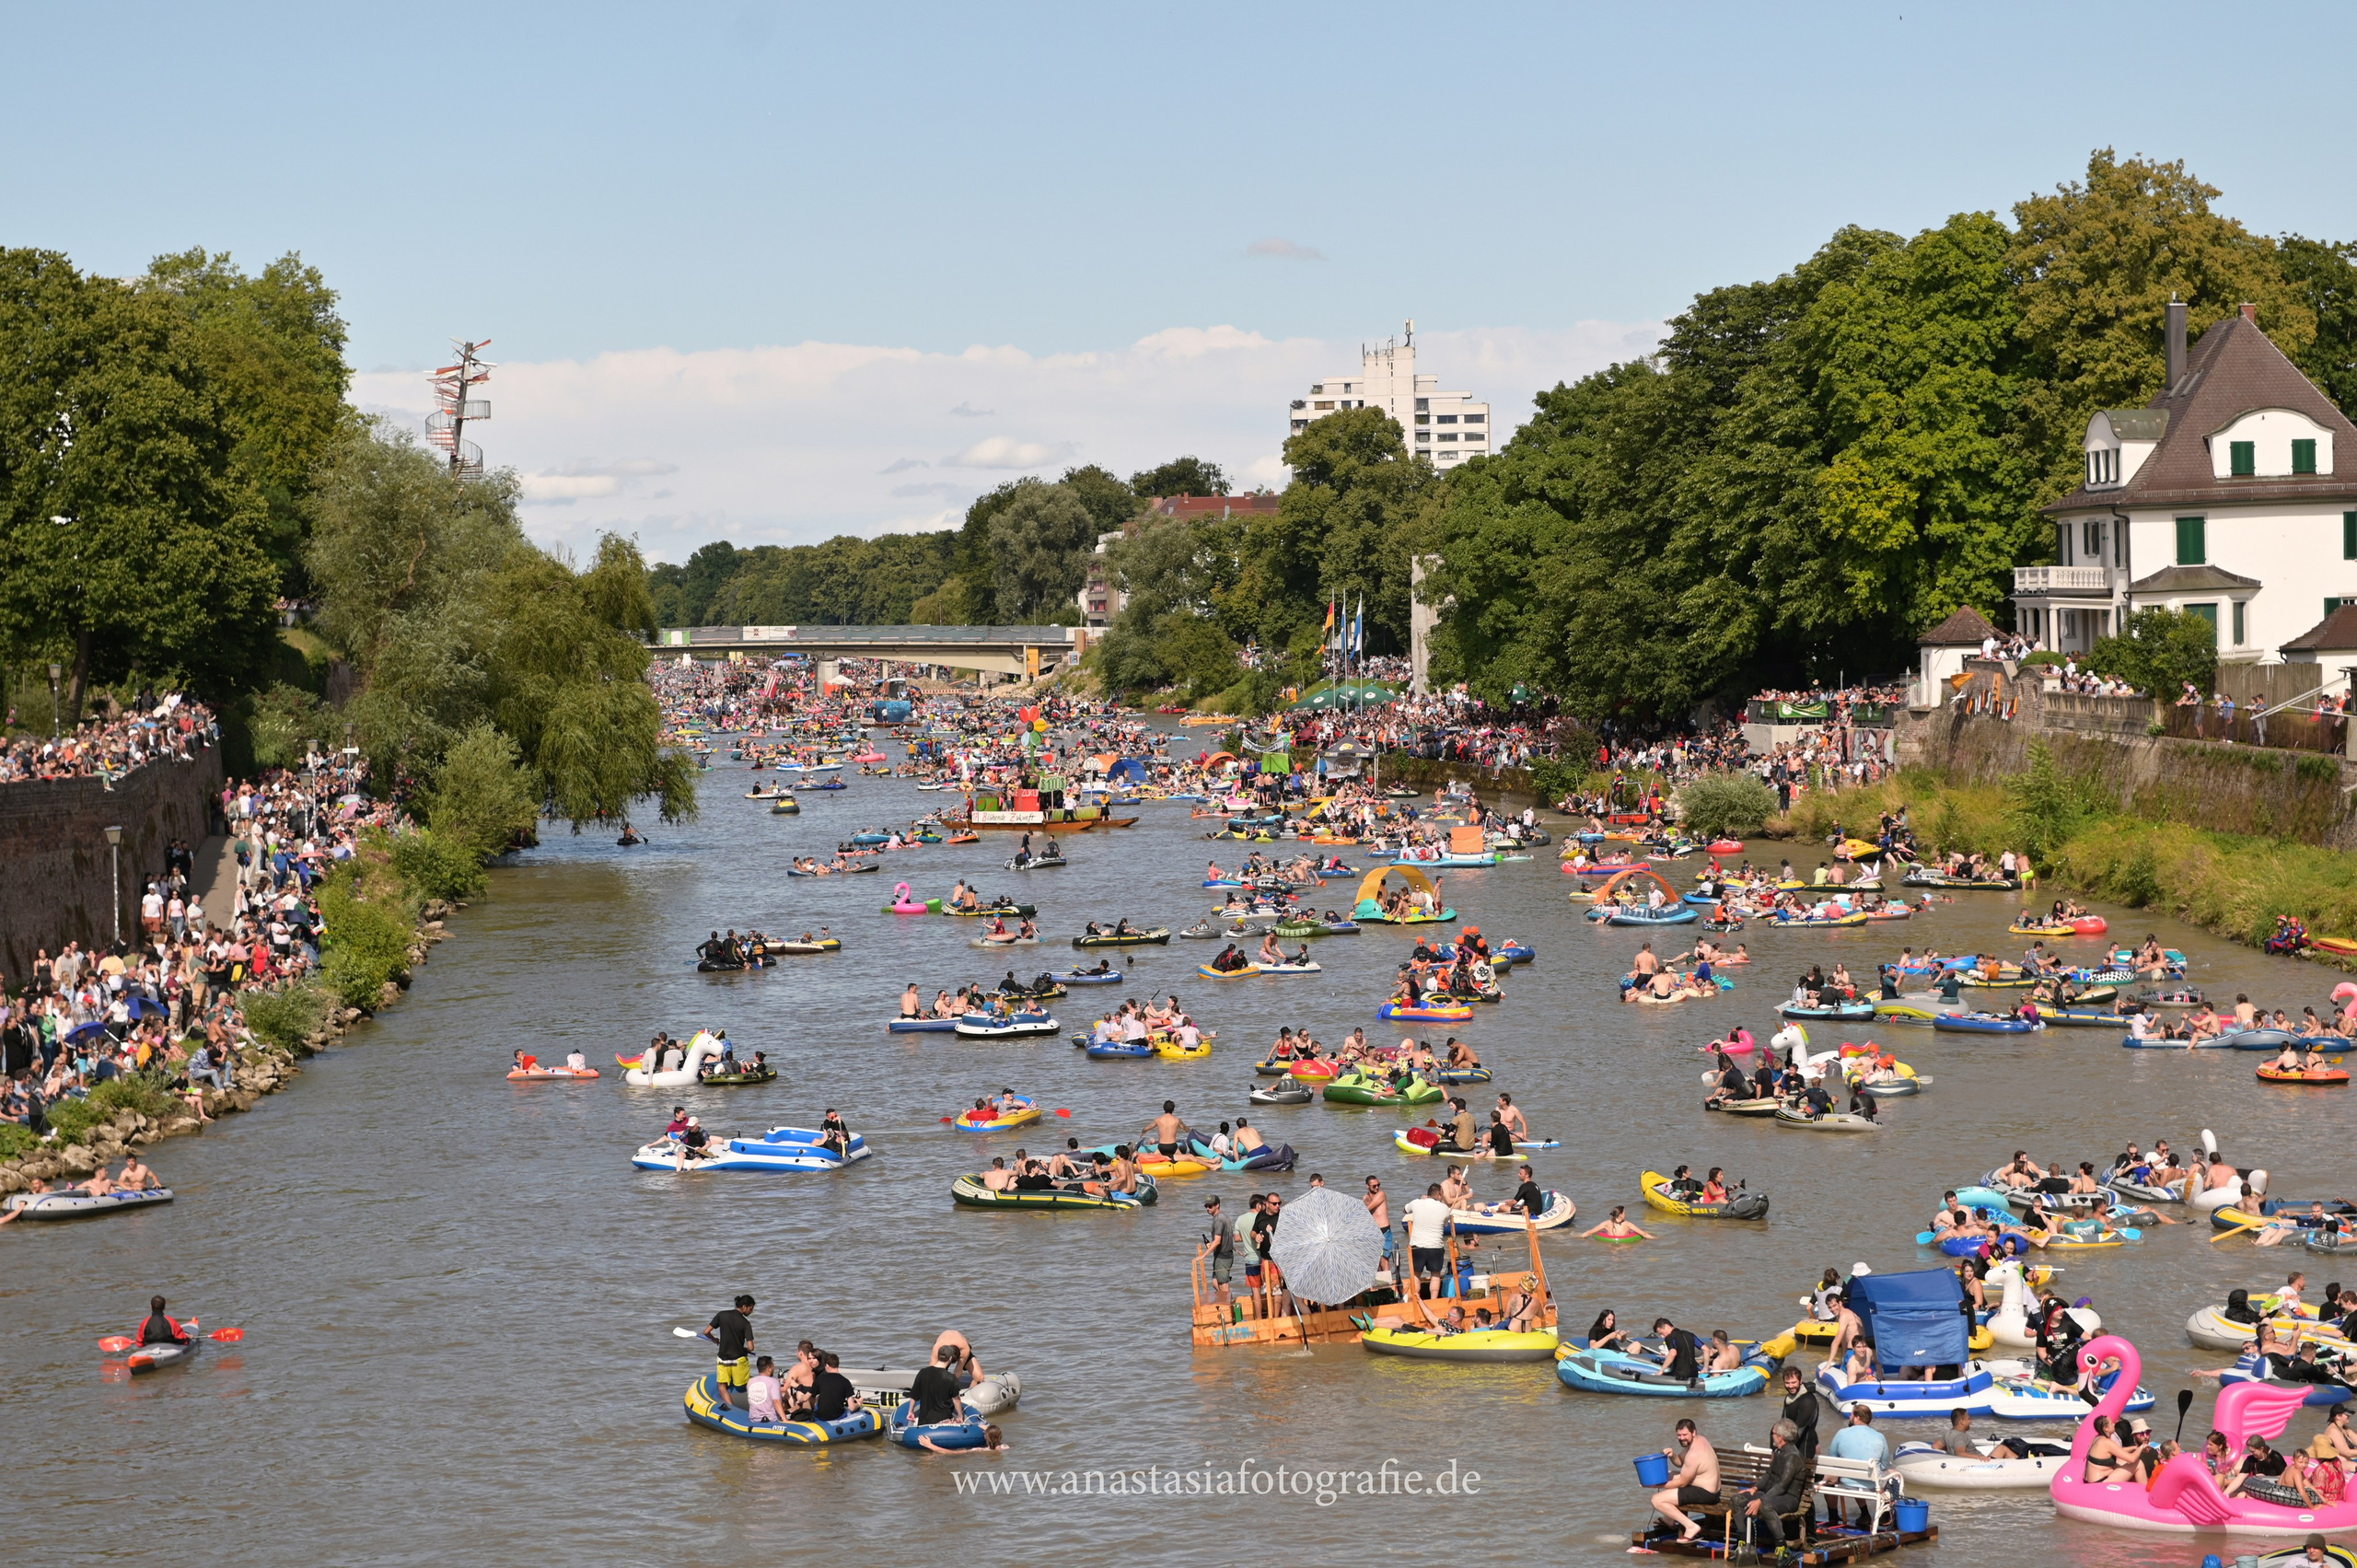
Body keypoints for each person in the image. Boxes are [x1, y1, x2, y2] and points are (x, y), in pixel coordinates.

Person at [1741, 1419, 1808, 1557]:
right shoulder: (1779, 1452)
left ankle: (1782, 1548)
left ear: (1780, 1437)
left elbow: (1782, 1486)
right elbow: (1769, 1474)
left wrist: (1761, 1500)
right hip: (1773, 1495)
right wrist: (1755, 1488)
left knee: (1766, 1507)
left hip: (1789, 1498)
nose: (1771, 1435)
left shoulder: (1792, 1457)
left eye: (1773, 1433)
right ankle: (1742, 1544)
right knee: (1738, 1499)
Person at [1650, 1418, 1722, 1543]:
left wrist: (1654, 1485)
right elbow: (1680, 1462)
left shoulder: (1695, 1453)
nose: (1682, 1438)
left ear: (1693, 1432)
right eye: (1679, 1435)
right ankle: (1670, 1520)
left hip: (1706, 1494)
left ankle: (1691, 1526)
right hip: (1706, 1487)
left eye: (1685, 1435)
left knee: (1657, 1500)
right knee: (1668, 1474)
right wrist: (1672, 1455)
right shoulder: (1699, 1440)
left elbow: (1682, 1483)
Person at [1825, 1406, 1890, 1525]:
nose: (1850, 1417)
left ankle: (1839, 1516)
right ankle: (1885, 1515)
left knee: (1851, 1474)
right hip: (1872, 1485)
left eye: (1851, 1415)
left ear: (1857, 1417)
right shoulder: (1879, 1436)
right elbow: (1884, 1465)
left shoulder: (1841, 1433)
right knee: (1893, 1474)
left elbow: (1832, 1460)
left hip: (1847, 1484)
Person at [1401, 1182, 1453, 1299]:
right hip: (1435, 1247)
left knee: (1416, 1275)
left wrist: (1420, 1199)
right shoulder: (1445, 1208)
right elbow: (1445, 1225)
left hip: (1417, 1246)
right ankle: (1433, 1301)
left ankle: (1416, 1299)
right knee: (1435, 1275)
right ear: (1439, 1195)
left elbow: (1404, 1209)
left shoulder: (1416, 1203)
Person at [706, 1294, 757, 1409]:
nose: (751, 1312)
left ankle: (731, 1409)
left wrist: (714, 1339)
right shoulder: (745, 1323)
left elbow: (706, 1332)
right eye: (750, 1309)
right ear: (744, 1307)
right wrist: (745, 1349)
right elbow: (751, 1347)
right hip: (738, 1360)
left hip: (722, 1360)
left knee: (722, 1387)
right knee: (744, 1386)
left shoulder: (722, 1315)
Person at [910, 1343, 967, 1426]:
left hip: (924, 1421)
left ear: (938, 1356)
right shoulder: (951, 1377)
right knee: (955, 1420)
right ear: (950, 1358)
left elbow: (914, 1395)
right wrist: (960, 1417)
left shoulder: (922, 1372)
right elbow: (956, 1400)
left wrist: (911, 1412)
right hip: (943, 1421)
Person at [806, 1352, 860, 1423]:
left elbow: (805, 1398)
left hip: (821, 1416)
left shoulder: (820, 1379)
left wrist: (799, 1400)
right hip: (837, 1416)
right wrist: (859, 1403)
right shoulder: (845, 1381)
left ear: (827, 1366)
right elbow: (852, 1408)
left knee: (817, 1397)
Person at [1202, 1196, 1236, 1307]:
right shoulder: (1223, 1217)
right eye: (1206, 1206)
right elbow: (1223, 1239)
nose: (1208, 1208)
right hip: (1224, 1255)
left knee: (1223, 1287)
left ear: (1218, 1205)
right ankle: (1228, 1302)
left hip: (1223, 1257)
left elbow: (1217, 1241)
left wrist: (1203, 1256)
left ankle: (1230, 1308)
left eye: (1210, 1206)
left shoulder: (1218, 1219)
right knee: (1215, 1283)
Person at [746, 1355, 786, 1423]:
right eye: (773, 1366)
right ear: (769, 1368)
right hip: (771, 1420)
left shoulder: (750, 1381)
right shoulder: (774, 1382)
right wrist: (785, 1420)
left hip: (754, 1419)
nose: (774, 1368)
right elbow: (776, 1401)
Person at [1581, 1205, 1653, 1241]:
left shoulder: (1607, 1223)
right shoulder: (1627, 1224)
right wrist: (1656, 1239)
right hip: (1625, 1246)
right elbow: (1644, 1234)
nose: (1626, 1214)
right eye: (1624, 1213)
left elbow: (1590, 1232)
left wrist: (1579, 1236)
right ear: (1620, 1215)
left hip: (1611, 1246)